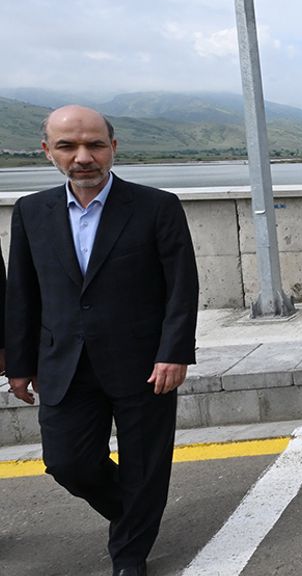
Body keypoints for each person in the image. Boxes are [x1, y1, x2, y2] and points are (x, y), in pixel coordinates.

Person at [5, 106, 199, 576]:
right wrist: (19, 363)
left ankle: (129, 556)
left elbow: (181, 286)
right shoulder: (31, 211)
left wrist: (174, 352)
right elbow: (23, 292)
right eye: (67, 146)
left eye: (94, 145)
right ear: (47, 151)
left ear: (113, 147)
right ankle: (135, 512)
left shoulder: (157, 206)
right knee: (66, 463)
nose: (82, 157)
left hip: (144, 362)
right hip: (63, 362)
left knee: (145, 464)